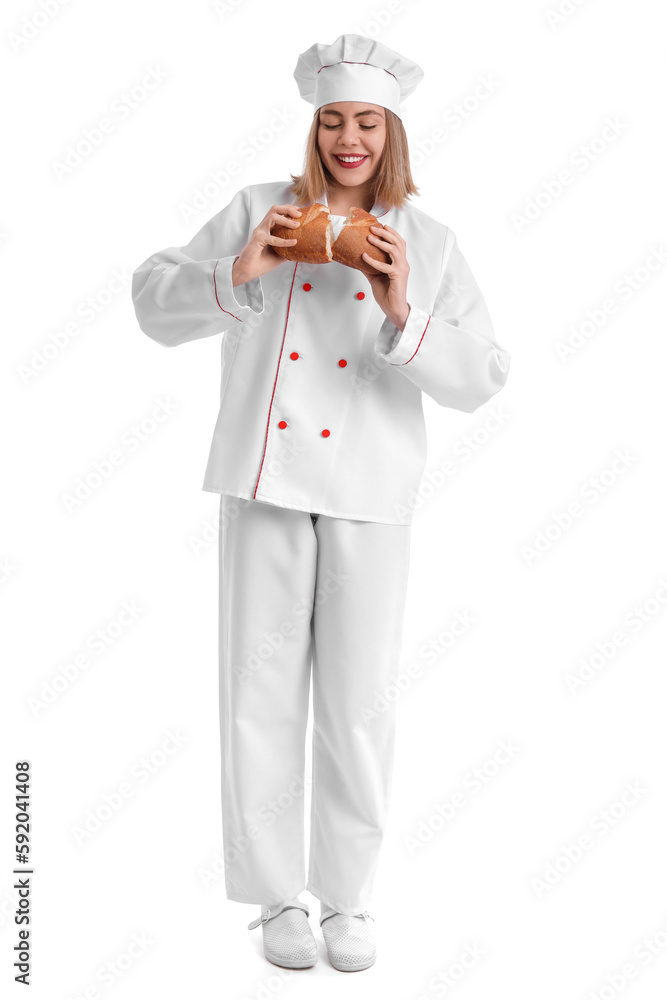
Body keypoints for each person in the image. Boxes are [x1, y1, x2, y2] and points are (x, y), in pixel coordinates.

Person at [131, 33, 511, 973]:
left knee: (357, 704)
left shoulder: (425, 241)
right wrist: (238, 274)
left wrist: (400, 309)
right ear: (313, 128)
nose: (350, 137)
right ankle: (273, 903)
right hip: (262, 480)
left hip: (371, 492)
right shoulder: (260, 212)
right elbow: (149, 300)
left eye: (368, 123)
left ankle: (349, 901)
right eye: (335, 120)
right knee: (257, 693)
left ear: (391, 135)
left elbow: (485, 374)